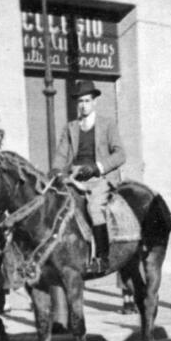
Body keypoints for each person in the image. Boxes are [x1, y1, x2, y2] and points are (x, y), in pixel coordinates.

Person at [51, 79, 126, 275]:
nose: (83, 106)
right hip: (75, 177)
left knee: (94, 208)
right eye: (80, 102)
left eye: (87, 101)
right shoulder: (71, 128)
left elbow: (120, 154)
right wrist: (57, 171)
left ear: (94, 102)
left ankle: (102, 257)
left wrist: (98, 167)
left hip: (99, 178)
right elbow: (61, 155)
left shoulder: (107, 125)